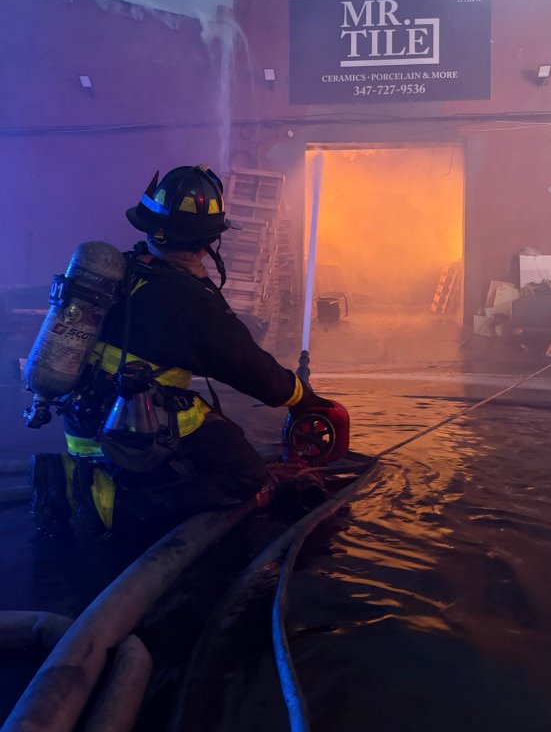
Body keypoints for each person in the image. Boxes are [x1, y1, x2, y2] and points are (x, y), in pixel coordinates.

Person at [30, 164, 334, 542]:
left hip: (84, 422)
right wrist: (303, 398)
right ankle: (102, 504)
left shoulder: (121, 270)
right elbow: (248, 367)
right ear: (208, 241)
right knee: (247, 477)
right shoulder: (189, 298)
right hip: (132, 429)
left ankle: (70, 474)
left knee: (212, 431)